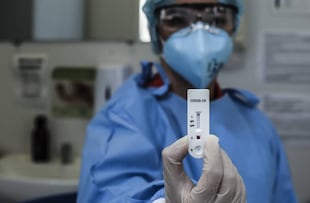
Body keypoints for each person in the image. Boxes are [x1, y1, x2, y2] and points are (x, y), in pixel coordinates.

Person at [77, 0, 298, 202]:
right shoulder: (125, 115)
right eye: (178, 20)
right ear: (156, 31)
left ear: (233, 29)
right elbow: (109, 191)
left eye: (218, 20)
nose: (200, 36)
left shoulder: (257, 124)